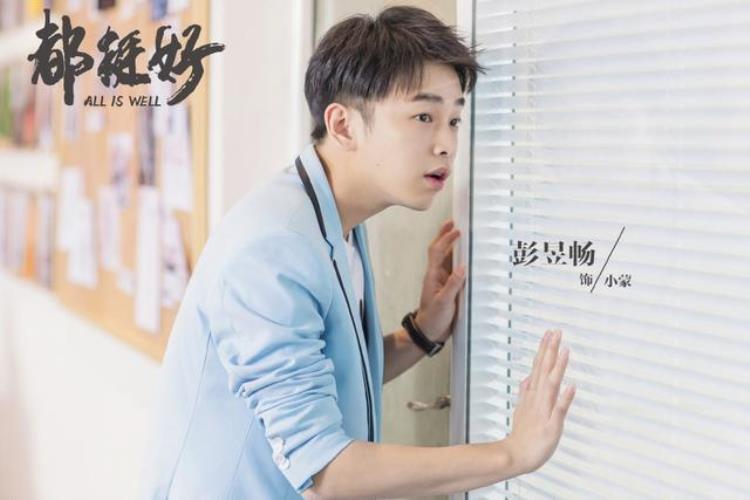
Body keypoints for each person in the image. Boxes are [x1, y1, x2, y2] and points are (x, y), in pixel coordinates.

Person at [141, 6, 576, 499]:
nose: (446, 144)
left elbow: (330, 374)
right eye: (424, 116)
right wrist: (512, 454)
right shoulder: (274, 248)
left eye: (455, 119)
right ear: (344, 125)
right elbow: (326, 473)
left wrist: (421, 333)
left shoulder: (334, 218)